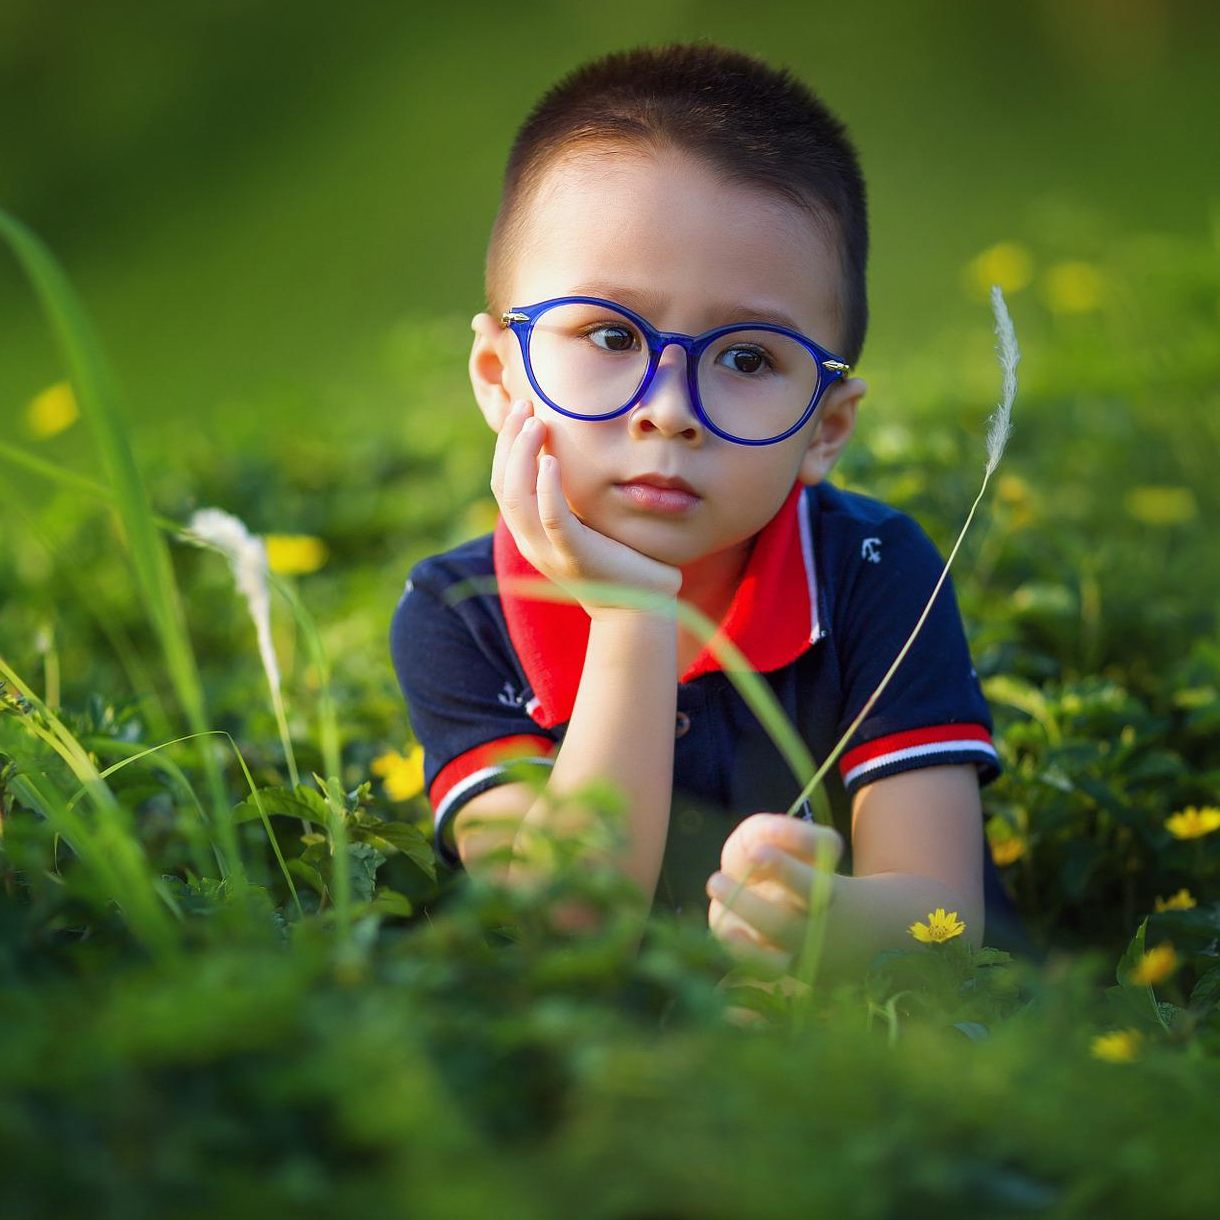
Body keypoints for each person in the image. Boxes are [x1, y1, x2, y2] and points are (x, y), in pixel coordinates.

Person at [389, 41, 1035, 984]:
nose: (669, 410)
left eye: (746, 359)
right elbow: (562, 927)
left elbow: (939, 917)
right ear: (500, 376)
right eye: (610, 334)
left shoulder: (871, 570)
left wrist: (828, 925)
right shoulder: (460, 611)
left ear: (826, 428)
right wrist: (633, 618)